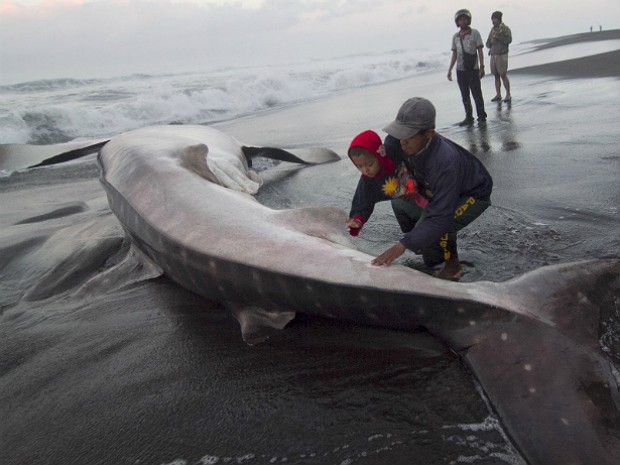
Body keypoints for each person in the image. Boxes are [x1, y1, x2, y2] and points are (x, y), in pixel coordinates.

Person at [371, 97, 493, 281]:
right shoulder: (399, 141)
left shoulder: (445, 161)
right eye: (400, 133)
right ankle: (424, 246)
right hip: (434, 188)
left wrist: (402, 245)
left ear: (428, 134)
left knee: (439, 226)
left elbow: (440, 216)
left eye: (409, 136)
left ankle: (451, 267)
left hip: (472, 194)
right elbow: (385, 162)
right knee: (399, 204)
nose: (402, 142)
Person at [346, 129, 428, 236]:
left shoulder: (392, 150)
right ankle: (410, 236)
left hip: (432, 197)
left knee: (424, 233)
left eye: (369, 164)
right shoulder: (368, 180)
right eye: (360, 166)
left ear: (380, 155)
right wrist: (357, 221)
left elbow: (398, 131)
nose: (365, 170)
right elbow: (362, 202)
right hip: (412, 199)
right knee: (397, 204)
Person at [447, 8, 487, 126]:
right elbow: (454, 54)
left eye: (464, 19)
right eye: (460, 20)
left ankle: (481, 116)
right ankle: (469, 116)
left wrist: (482, 67)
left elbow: (480, 50)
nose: (462, 22)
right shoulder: (455, 37)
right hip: (460, 70)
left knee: (477, 94)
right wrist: (450, 70)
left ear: (468, 20)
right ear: (457, 22)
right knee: (465, 95)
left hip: (472, 68)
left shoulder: (475, 33)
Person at [486, 10, 512, 103]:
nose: (493, 21)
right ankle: (498, 94)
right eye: (492, 19)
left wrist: (499, 38)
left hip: (502, 54)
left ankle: (508, 94)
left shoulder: (505, 29)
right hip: (493, 54)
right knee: (496, 75)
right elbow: (487, 44)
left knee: (503, 74)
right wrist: (491, 42)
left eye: (495, 19)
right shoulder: (492, 30)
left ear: (499, 19)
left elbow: (509, 40)